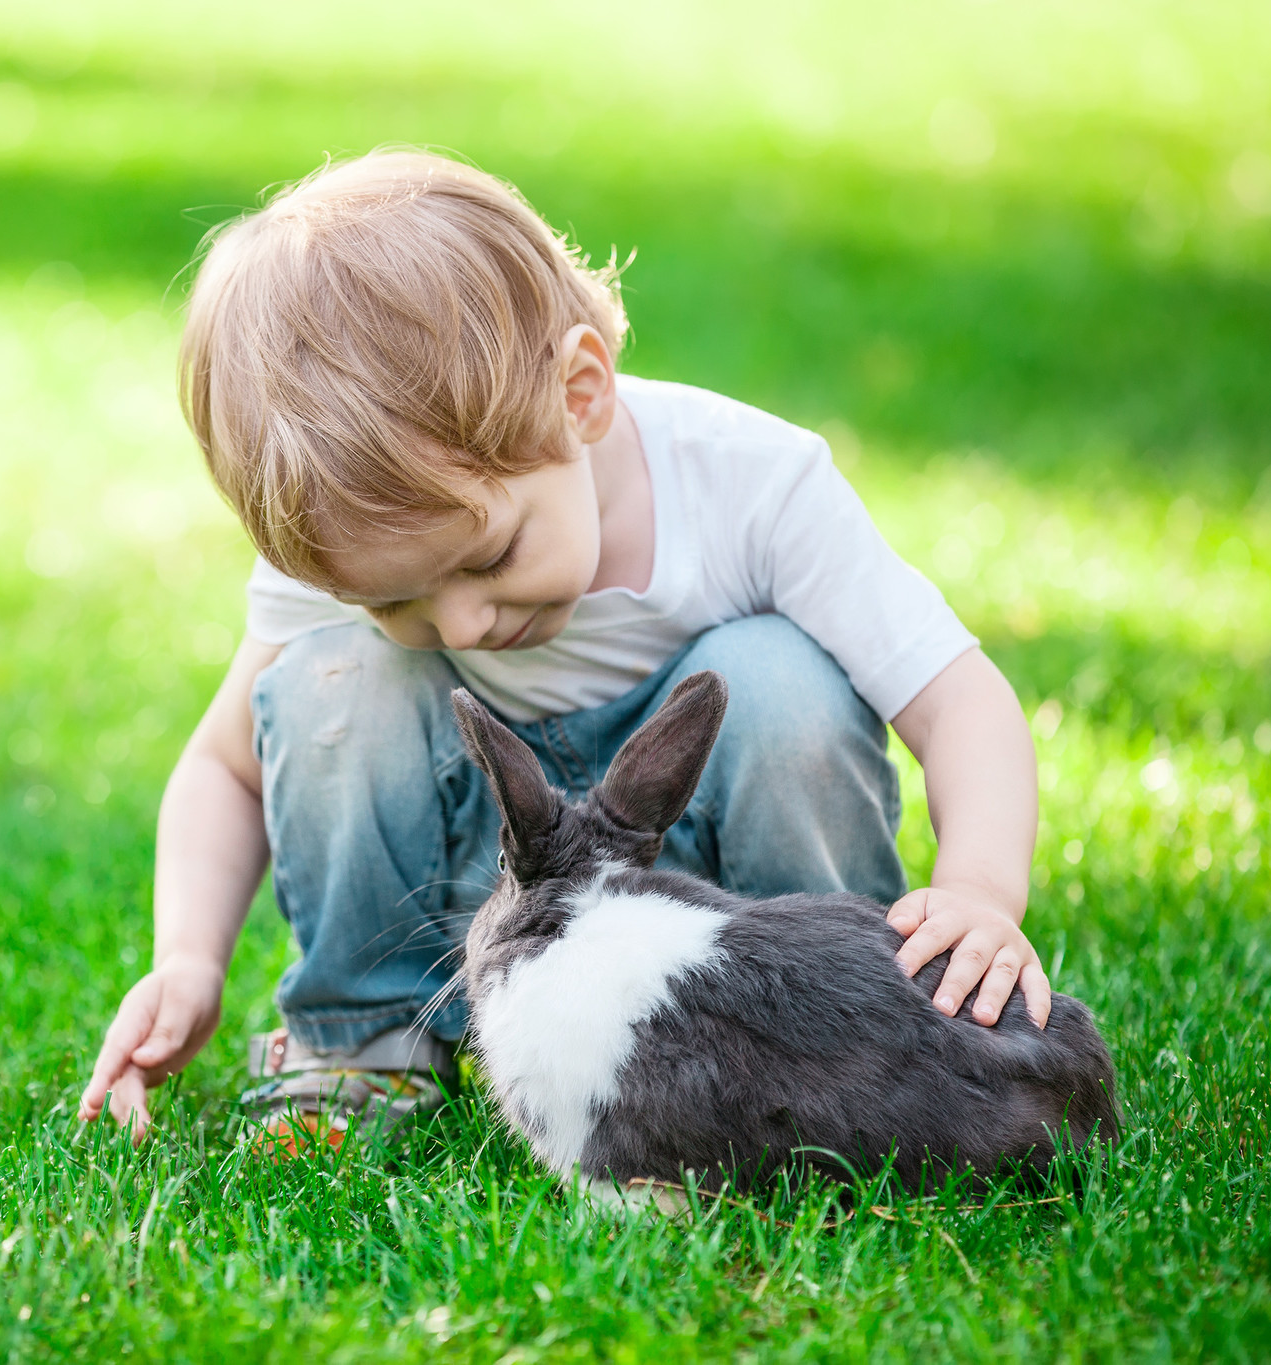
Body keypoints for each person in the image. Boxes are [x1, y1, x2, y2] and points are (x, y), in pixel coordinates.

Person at [77, 150, 1046, 1151]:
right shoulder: (349, 535)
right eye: (394, 601)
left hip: (729, 936)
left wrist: (976, 889)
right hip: (485, 923)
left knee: (776, 677)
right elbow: (222, 767)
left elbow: (956, 700)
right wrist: (188, 958)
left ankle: (816, 1041)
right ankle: (361, 1050)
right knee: (332, 675)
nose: (457, 627)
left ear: (579, 395)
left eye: (488, 557)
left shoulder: (751, 487)